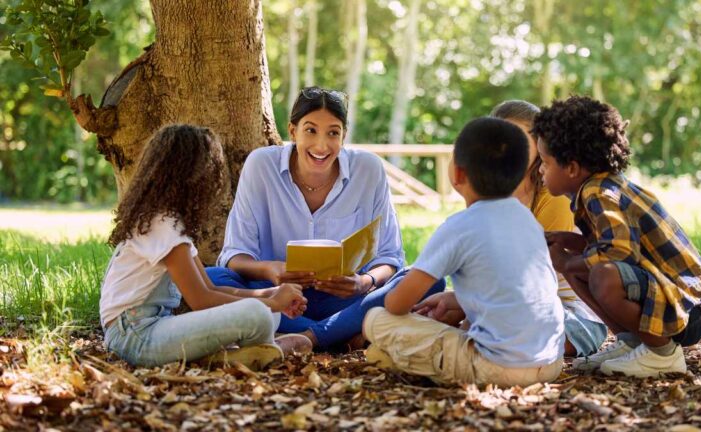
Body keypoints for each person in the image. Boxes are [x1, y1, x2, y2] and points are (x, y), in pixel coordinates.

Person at [206, 87, 444, 350]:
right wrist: (271, 270)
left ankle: (309, 338)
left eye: (333, 133)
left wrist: (364, 282)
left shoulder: (368, 169)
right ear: (292, 130)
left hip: (346, 299)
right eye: (310, 130)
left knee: (429, 279)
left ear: (344, 135)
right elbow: (234, 256)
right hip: (280, 297)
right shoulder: (262, 165)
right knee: (212, 278)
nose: (322, 145)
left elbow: (390, 257)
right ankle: (343, 333)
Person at [363, 117, 565, 387]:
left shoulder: (459, 226)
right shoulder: (528, 219)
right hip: (552, 362)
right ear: (520, 174)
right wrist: (457, 299)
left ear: (458, 174)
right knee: (393, 347)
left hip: (497, 368)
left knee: (377, 319)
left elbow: (396, 304)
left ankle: (410, 359)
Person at [532, 95, 701, 377]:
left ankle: (663, 354)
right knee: (585, 268)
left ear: (571, 167)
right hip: (671, 301)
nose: (540, 169)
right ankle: (633, 343)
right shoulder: (597, 188)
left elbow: (618, 255)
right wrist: (568, 242)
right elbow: (620, 246)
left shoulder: (600, 193)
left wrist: (568, 262)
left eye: (544, 162)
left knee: (600, 274)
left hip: (687, 309)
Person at [100, 125, 311, 370]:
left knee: (266, 313)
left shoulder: (171, 224)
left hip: (151, 329)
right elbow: (201, 300)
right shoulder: (162, 225)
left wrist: (271, 296)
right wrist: (272, 304)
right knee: (259, 314)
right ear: (195, 177)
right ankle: (248, 352)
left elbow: (210, 287)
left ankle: (235, 354)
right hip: (134, 336)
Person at [491, 100, 607, 357]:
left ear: (540, 145)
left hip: (572, 314)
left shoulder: (552, 195)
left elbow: (537, 276)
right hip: (512, 304)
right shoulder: (490, 193)